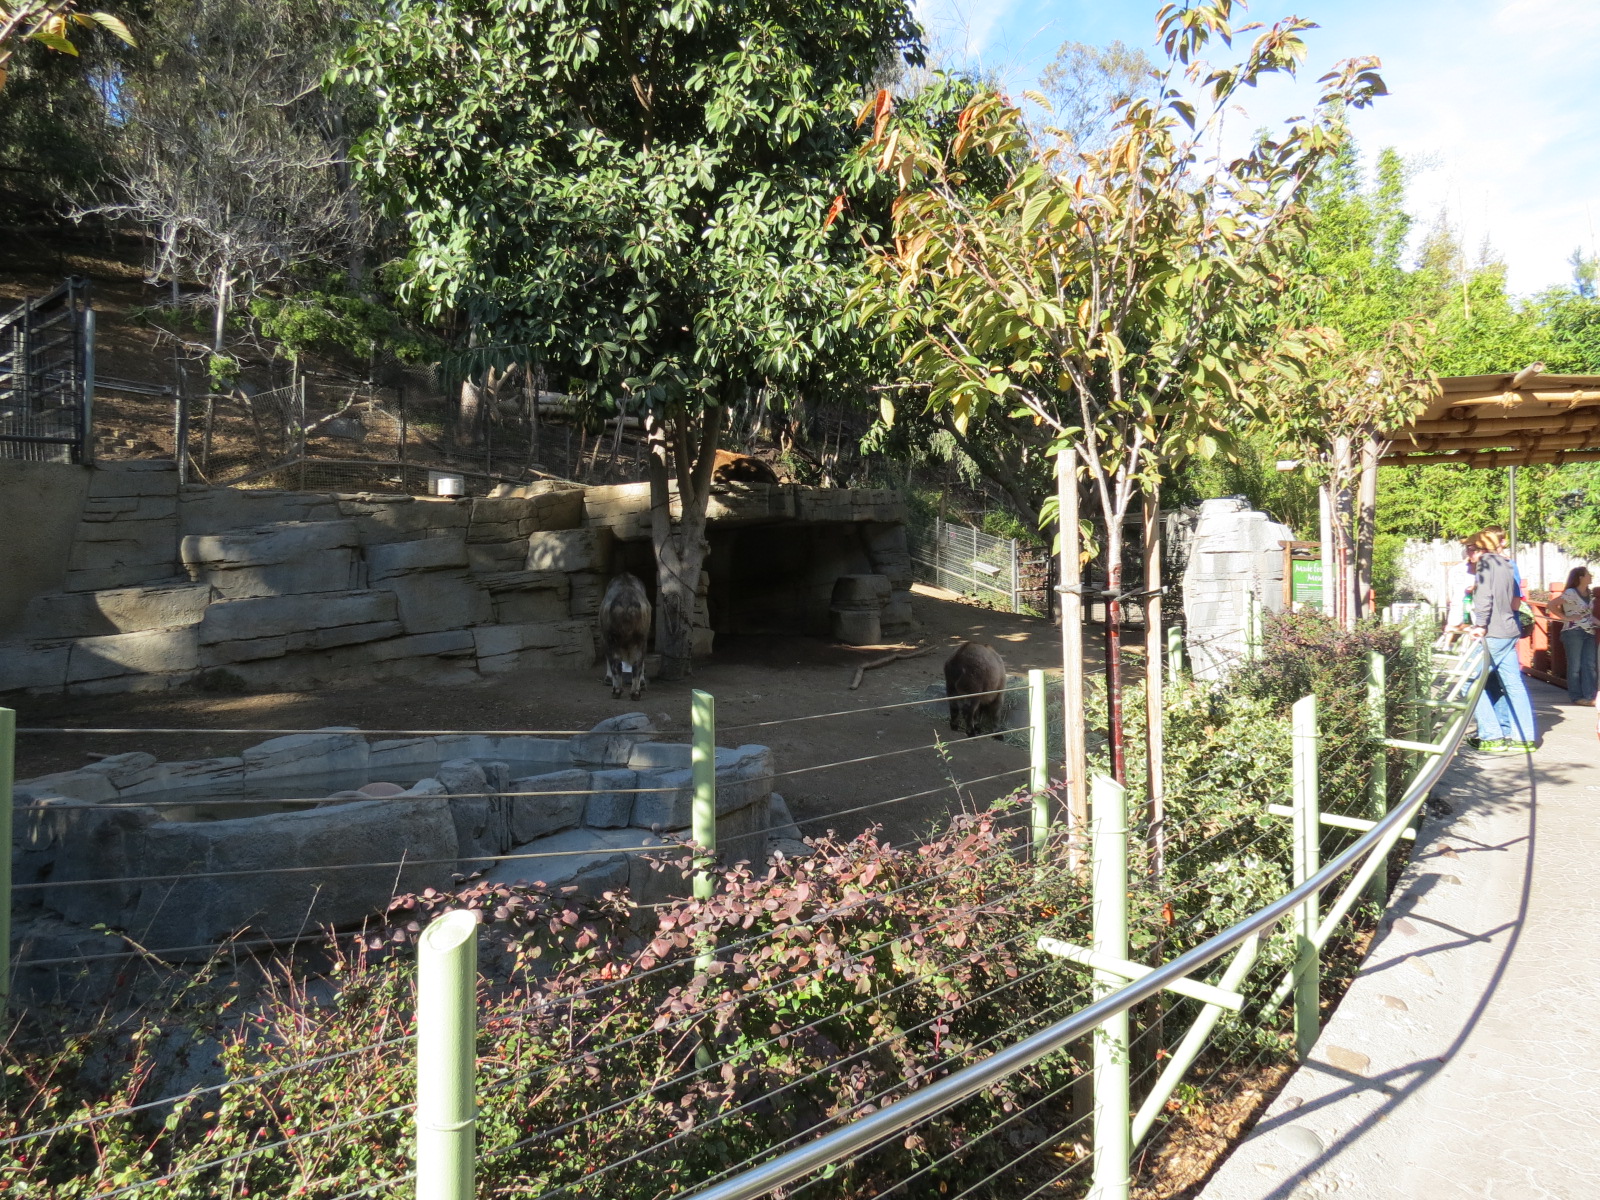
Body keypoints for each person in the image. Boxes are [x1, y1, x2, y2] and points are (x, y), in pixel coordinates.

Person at [1464, 529, 1538, 753]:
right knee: (1513, 684)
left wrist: (1480, 625)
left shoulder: (1486, 564)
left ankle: (1491, 735)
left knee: (1469, 681)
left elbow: (1485, 597)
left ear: (1479, 549)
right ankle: (1523, 738)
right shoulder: (1506, 564)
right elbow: (1515, 600)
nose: (1468, 555)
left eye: (1470, 549)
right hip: (1509, 628)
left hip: (1493, 631)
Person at [1558, 565, 1599, 705]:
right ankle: (1577, 697)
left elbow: (1588, 615)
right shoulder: (1571, 592)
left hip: (1589, 631)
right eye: (1588, 574)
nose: (1591, 576)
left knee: (1589, 664)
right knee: (1575, 666)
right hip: (1573, 632)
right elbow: (1551, 605)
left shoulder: (1589, 594)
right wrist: (1566, 618)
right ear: (1580, 577)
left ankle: (1589, 697)